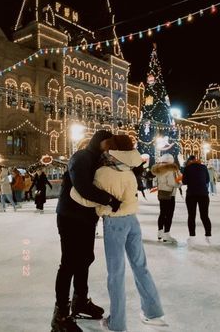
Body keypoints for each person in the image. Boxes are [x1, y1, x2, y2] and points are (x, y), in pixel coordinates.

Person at [70, 135, 168, 332]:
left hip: (114, 224)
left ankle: (118, 323)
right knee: (141, 267)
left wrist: (74, 193)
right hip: (133, 221)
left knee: (116, 273)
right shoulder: (129, 171)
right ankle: (153, 312)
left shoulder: (104, 173)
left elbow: (93, 199)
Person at [51, 130, 121, 332]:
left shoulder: (100, 161)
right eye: (109, 143)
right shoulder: (81, 157)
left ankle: (80, 301)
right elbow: (82, 186)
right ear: (99, 141)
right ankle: (61, 315)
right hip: (70, 217)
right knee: (69, 263)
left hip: (87, 218)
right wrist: (108, 199)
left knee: (85, 258)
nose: (111, 147)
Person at [151, 153, 181, 243]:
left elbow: (154, 183)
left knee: (162, 213)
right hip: (170, 195)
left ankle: (160, 232)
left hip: (161, 194)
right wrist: (179, 184)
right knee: (169, 215)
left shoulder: (158, 171)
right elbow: (172, 183)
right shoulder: (170, 170)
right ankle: (166, 234)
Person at [182, 155, 212, 245]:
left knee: (191, 215)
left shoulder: (187, 168)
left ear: (189, 161)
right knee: (205, 215)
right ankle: (208, 235)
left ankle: (192, 236)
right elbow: (207, 180)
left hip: (191, 194)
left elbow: (184, 181)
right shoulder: (203, 167)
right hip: (203, 194)